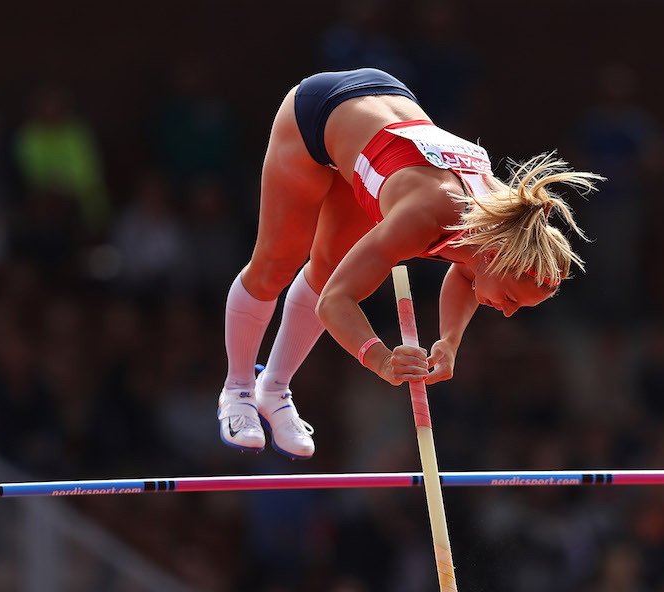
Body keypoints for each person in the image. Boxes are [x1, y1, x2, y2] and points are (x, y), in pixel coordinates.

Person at [219, 68, 602, 458]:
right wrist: (381, 359)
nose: (506, 313)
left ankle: (275, 390)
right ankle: (237, 390)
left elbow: (466, 271)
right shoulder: (424, 216)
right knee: (277, 265)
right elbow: (334, 301)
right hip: (318, 114)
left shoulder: (498, 229)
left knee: (325, 268)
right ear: (493, 257)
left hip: (379, 128)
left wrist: (449, 342)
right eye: (510, 298)